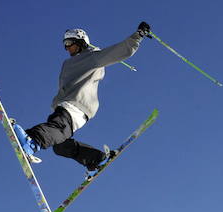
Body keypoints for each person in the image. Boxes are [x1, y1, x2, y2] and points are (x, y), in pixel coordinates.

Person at [12, 22, 152, 172]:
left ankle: (32, 141)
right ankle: (95, 158)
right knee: (61, 146)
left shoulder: (92, 58)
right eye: (65, 45)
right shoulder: (71, 63)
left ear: (81, 42)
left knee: (59, 131)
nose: (67, 48)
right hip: (71, 107)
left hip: (75, 106)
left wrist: (137, 36)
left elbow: (120, 51)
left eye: (69, 43)